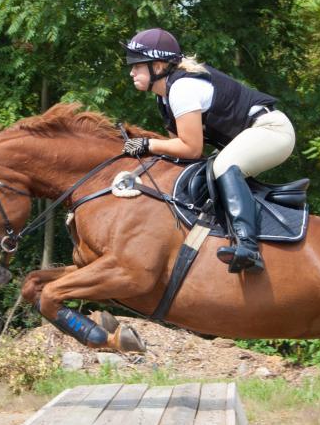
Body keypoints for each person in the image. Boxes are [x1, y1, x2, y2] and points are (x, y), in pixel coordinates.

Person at [121, 28, 295, 273]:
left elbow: (191, 148)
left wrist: (147, 144)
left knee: (224, 166)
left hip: (273, 130)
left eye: (137, 65)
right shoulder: (164, 98)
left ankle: (248, 247)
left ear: (158, 66)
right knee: (209, 171)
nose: (131, 72)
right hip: (256, 133)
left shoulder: (183, 89)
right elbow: (179, 152)